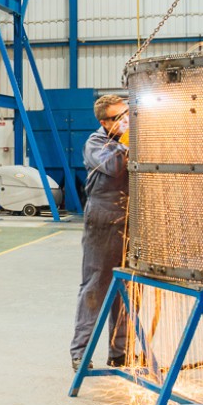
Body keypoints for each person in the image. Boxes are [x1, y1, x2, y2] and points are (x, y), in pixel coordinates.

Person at [70, 94, 130, 371]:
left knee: (126, 289)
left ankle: (119, 352)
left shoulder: (127, 138)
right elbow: (116, 167)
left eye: (128, 113)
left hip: (131, 220)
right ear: (104, 122)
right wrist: (130, 138)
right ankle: (81, 352)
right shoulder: (95, 143)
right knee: (95, 287)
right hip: (103, 220)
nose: (127, 120)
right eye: (120, 117)